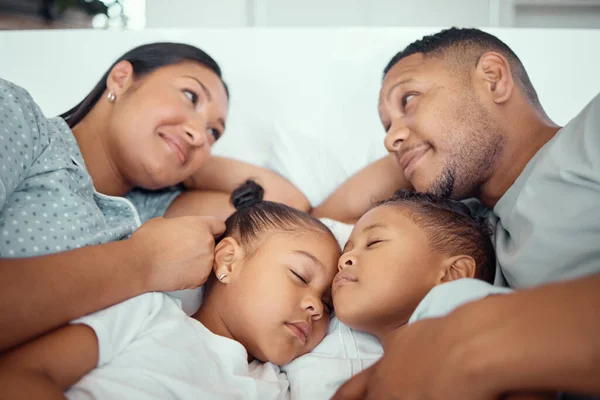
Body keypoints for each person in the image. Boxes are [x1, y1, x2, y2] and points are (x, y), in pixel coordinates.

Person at [315, 28, 600, 398]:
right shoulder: (466, 229)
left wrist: (466, 339)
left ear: (493, 79)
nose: (389, 140)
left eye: (409, 99)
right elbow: (322, 217)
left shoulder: (589, 139)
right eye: (386, 127)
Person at [0, 42, 308, 352]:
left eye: (214, 133)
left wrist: (188, 157)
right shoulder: (17, 116)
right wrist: (144, 262)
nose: (201, 134)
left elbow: (287, 210)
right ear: (121, 78)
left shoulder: (151, 213)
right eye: (190, 97)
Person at [0, 180, 340, 399]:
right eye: (299, 275)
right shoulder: (147, 313)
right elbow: (19, 374)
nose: (317, 308)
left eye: (328, 303)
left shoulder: (276, 389)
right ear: (228, 262)